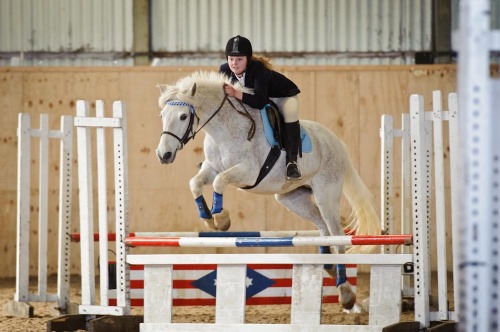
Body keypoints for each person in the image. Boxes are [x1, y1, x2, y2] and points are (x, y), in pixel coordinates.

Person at [219, 35, 302, 181]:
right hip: (259, 96)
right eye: (231, 58)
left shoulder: (258, 70)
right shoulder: (224, 70)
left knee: (290, 113)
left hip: (283, 96)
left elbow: (260, 101)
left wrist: (235, 92)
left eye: (239, 59)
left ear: (248, 59)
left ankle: (292, 162)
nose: (234, 63)